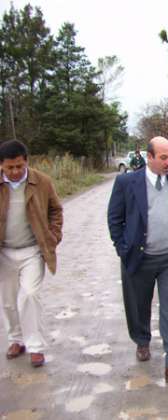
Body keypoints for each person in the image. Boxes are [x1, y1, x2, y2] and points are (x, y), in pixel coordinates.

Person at [107, 136, 168, 383]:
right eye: (163, 158)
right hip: (140, 258)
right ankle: (142, 340)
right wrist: (122, 248)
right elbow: (115, 219)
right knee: (139, 305)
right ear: (149, 158)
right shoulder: (127, 182)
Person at [0, 139, 63, 368]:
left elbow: (56, 209)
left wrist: (53, 236)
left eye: (19, 166)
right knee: (7, 301)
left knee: (29, 295)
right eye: (10, 167)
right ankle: (16, 339)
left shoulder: (42, 182)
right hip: (4, 251)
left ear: (26, 161)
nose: (15, 171)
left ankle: (35, 347)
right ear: (2, 166)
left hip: (32, 251)